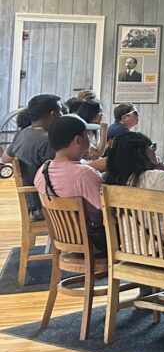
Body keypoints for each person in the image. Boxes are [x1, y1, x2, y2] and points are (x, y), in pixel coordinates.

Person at [33, 114, 106, 245]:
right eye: (87, 135)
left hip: (63, 239)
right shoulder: (85, 175)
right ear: (78, 140)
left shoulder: (42, 170)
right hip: (92, 243)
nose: (89, 139)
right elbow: (106, 212)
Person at [4, 93, 63, 218]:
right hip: (46, 204)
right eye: (61, 111)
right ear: (54, 114)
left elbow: (6, 158)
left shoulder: (23, 133)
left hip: (32, 202)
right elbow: (62, 172)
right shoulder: (49, 140)